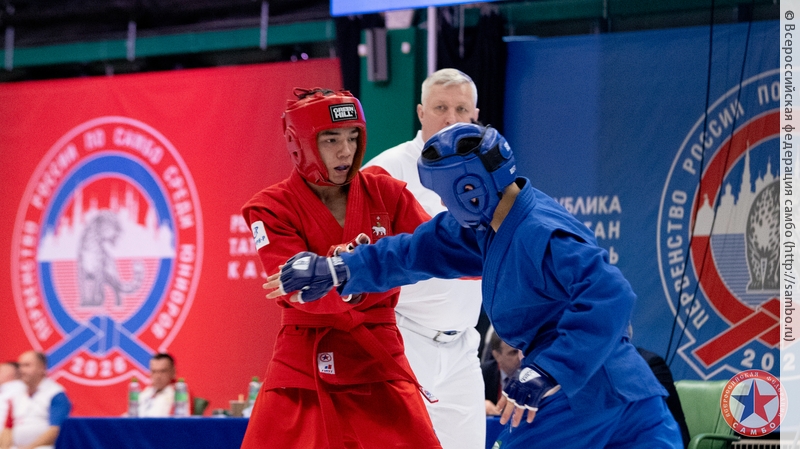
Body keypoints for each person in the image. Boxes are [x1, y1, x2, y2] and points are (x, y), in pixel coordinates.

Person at [266, 122, 684, 448]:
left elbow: (610, 295)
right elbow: (413, 251)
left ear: (470, 191)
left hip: (577, 392)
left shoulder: (539, 231)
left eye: (446, 196)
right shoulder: (490, 228)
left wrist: (549, 369)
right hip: (630, 394)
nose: (445, 206)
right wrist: (338, 269)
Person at [240, 88, 441, 449]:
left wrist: (490, 239)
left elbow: (440, 250)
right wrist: (345, 266)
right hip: (302, 369)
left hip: (378, 362)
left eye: (353, 137)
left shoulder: (387, 193)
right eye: (331, 139)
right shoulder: (270, 208)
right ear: (299, 143)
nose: (346, 151)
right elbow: (300, 290)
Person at [361, 68, 486, 449]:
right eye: (440, 108)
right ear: (420, 113)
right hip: (404, 339)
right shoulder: (385, 173)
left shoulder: (489, 175)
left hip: (463, 345)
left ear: (475, 116)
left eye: (461, 109)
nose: (451, 118)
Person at [0, 351, 71, 449]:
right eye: (20, 366)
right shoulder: (16, 393)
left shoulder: (56, 394)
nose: (21, 370)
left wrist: (29, 448)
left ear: (41, 368)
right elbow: (8, 428)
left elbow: (55, 430)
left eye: (27, 365)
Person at [481, 329, 521, 417]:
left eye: (522, 351)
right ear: (497, 355)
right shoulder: (481, 374)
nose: (520, 357)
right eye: (513, 352)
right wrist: (478, 405)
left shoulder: (535, 373)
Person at [137, 353, 181, 417]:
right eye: (154, 371)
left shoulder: (179, 395)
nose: (158, 376)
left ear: (173, 372)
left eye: (163, 371)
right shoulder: (144, 394)